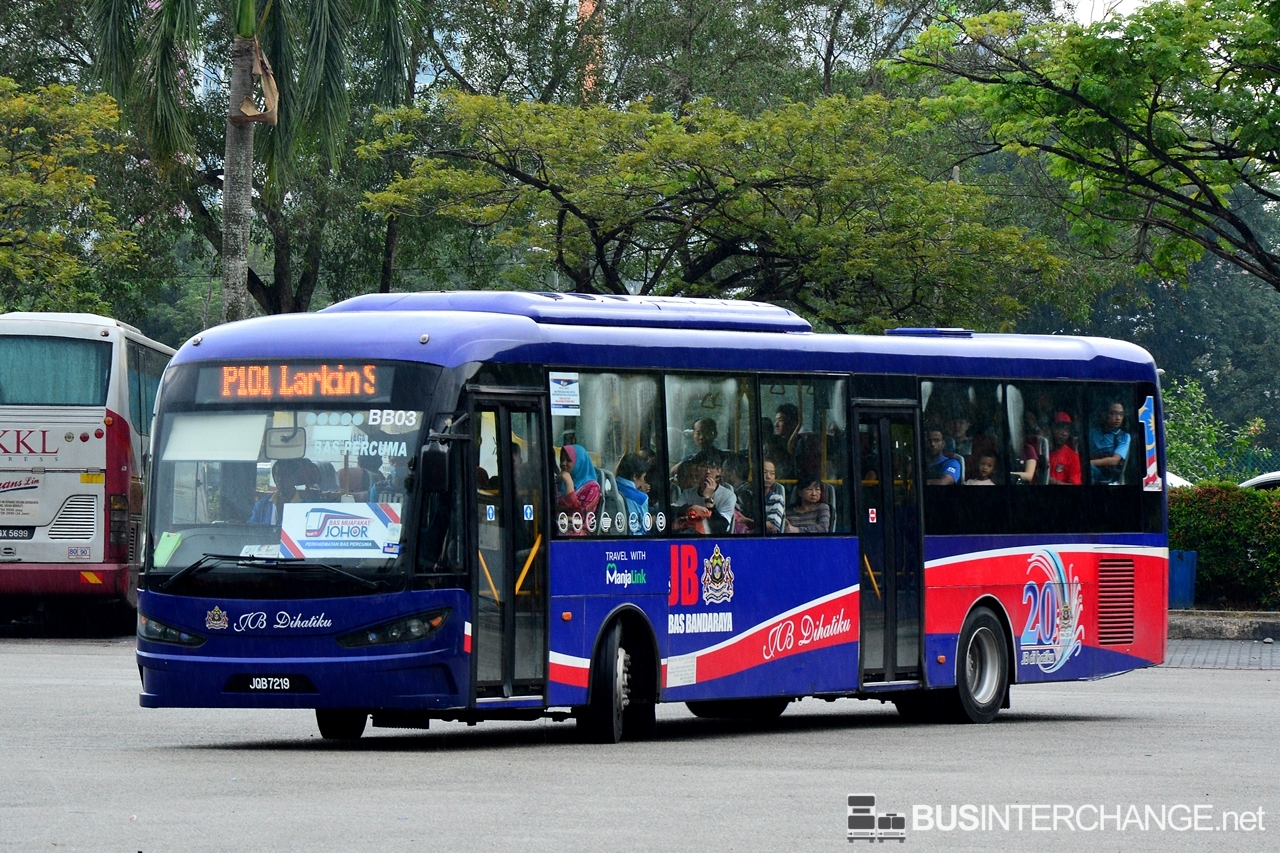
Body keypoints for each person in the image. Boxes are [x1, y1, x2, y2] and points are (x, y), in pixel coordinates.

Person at [674, 449, 735, 534]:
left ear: (719, 471)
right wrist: (690, 508)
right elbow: (672, 510)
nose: (708, 472)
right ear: (697, 470)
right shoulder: (688, 494)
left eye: (712, 467)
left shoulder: (728, 495)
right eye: (703, 467)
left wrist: (708, 499)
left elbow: (721, 528)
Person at [249, 457, 322, 524]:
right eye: (277, 475)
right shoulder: (263, 504)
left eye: (284, 475)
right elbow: (251, 527)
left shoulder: (304, 504)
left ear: (294, 478)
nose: (279, 479)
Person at [556, 444, 602, 531]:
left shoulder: (592, 487)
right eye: (562, 460)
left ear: (579, 462)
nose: (563, 463)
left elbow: (580, 515)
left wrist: (569, 484)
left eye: (569, 460)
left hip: (579, 533)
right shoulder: (560, 482)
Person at [1090, 402, 1131, 484]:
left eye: (1121, 414)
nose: (1118, 418)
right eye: (1114, 414)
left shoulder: (1124, 436)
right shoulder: (1092, 433)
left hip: (1107, 475)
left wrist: (1089, 463)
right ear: (1105, 415)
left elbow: (1115, 460)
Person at [615, 453, 650, 535]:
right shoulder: (641, 499)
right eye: (643, 477)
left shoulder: (612, 487)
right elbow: (645, 528)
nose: (644, 481)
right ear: (634, 476)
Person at [1047, 412, 1082, 486]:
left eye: (1067, 430)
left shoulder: (1073, 457)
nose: (1064, 434)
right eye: (1060, 428)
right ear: (1051, 429)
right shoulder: (1041, 452)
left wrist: (1054, 482)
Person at [1011, 414, 1041, 484]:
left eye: (1018, 435)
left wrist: (1009, 474)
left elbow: (1029, 475)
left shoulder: (1029, 449)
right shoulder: (1006, 450)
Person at [761, 456, 786, 533]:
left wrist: (747, 521)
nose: (768, 476)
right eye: (764, 472)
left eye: (772, 473)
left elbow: (772, 528)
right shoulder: (745, 496)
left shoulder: (777, 499)